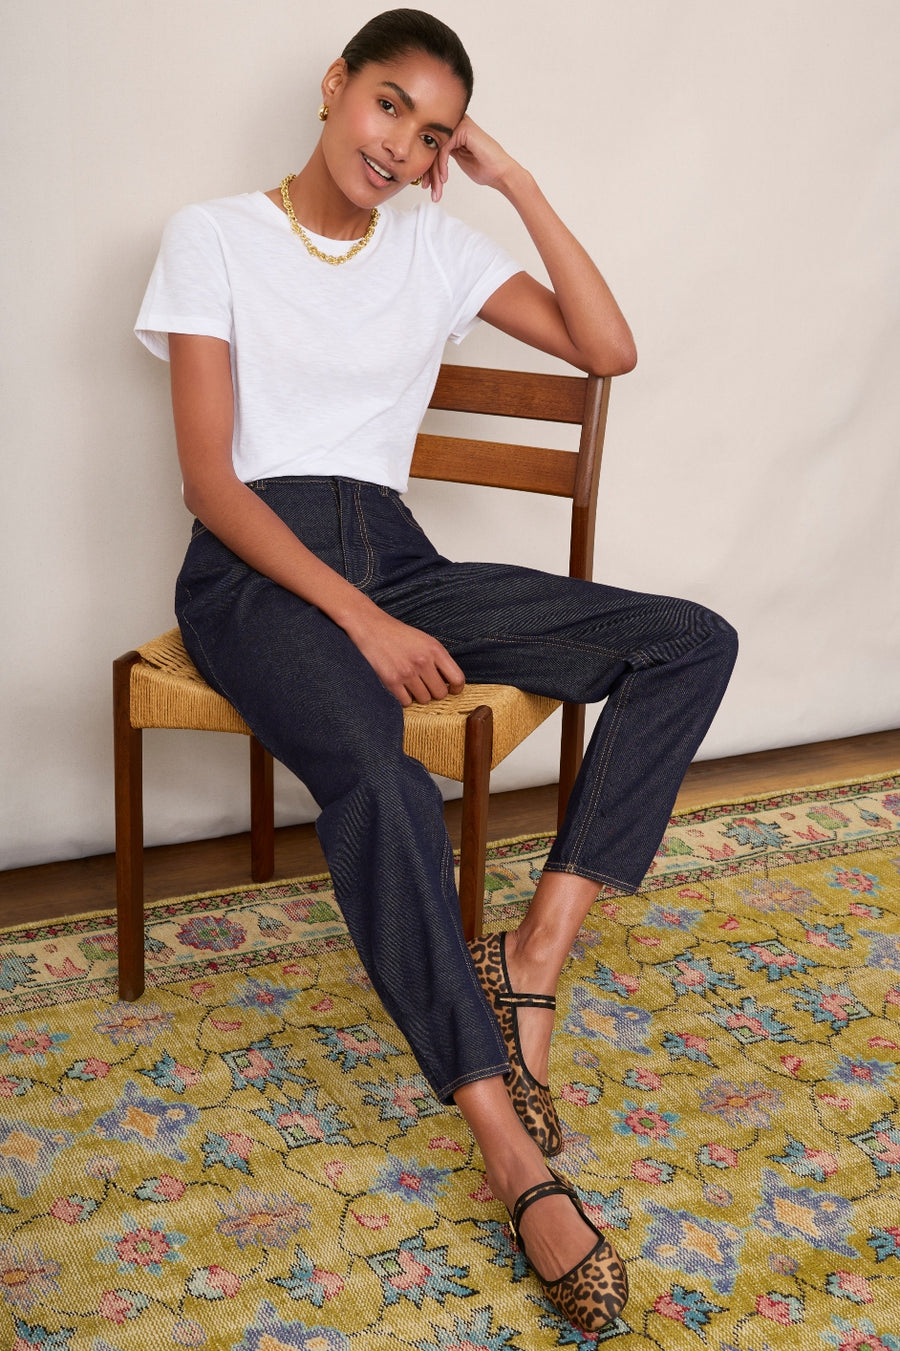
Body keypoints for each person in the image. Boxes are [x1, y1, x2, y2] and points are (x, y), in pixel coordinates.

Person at [136, 8, 737, 1332]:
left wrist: (512, 181)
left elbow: (607, 348)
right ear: (334, 86)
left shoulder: (434, 245)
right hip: (253, 570)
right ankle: (508, 1150)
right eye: (390, 106)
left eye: (436, 133)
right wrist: (361, 622)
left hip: (395, 552)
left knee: (690, 640)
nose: (402, 146)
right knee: (384, 777)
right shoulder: (212, 237)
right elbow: (210, 484)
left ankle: (531, 954)